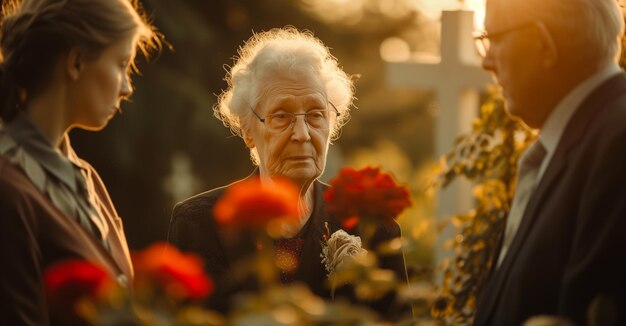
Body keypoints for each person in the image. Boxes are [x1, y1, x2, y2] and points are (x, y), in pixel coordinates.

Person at [167, 27, 409, 318]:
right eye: (282, 116)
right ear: (248, 131)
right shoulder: (200, 224)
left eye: (316, 115)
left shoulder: (372, 228)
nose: (303, 134)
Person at [0, 0, 161, 324]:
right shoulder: (7, 190)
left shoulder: (88, 179)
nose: (127, 87)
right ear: (75, 62)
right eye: (121, 64)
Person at [473, 0, 626, 325]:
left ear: (543, 43)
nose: (486, 60)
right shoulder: (574, 142)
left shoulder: (617, 144)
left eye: (494, 38)